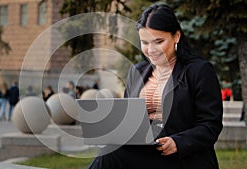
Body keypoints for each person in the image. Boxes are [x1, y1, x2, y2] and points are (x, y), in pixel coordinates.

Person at [87, 4, 223, 169]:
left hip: (184, 158)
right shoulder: (137, 71)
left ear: (176, 36)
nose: (151, 50)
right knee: (109, 152)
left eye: (158, 42)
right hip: (146, 154)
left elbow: (211, 125)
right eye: (145, 42)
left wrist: (178, 142)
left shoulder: (198, 70)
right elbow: (128, 120)